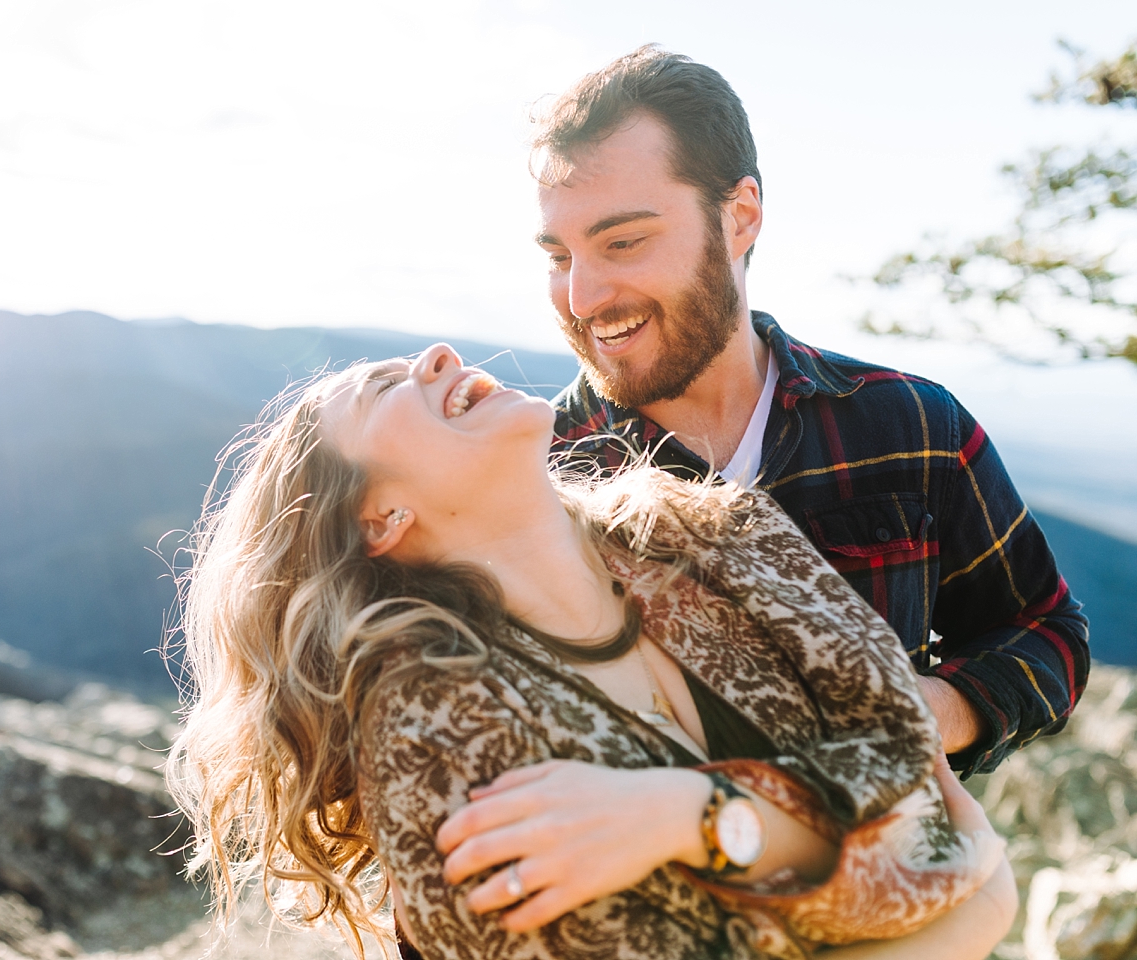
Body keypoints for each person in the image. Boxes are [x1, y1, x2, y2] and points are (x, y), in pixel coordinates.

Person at [168, 344, 1016, 960]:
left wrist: (693, 817)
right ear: (381, 519)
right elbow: (947, 857)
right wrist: (959, 912)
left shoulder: (725, 532)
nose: (434, 356)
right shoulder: (431, 725)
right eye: (382, 390)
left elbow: (909, 766)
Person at [533, 46, 1088, 775]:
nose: (583, 298)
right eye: (559, 256)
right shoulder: (534, 472)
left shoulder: (911, 426)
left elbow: (1045, 628)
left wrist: (926, 714)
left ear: (740, 217)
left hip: (893, 880)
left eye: (623, 241)